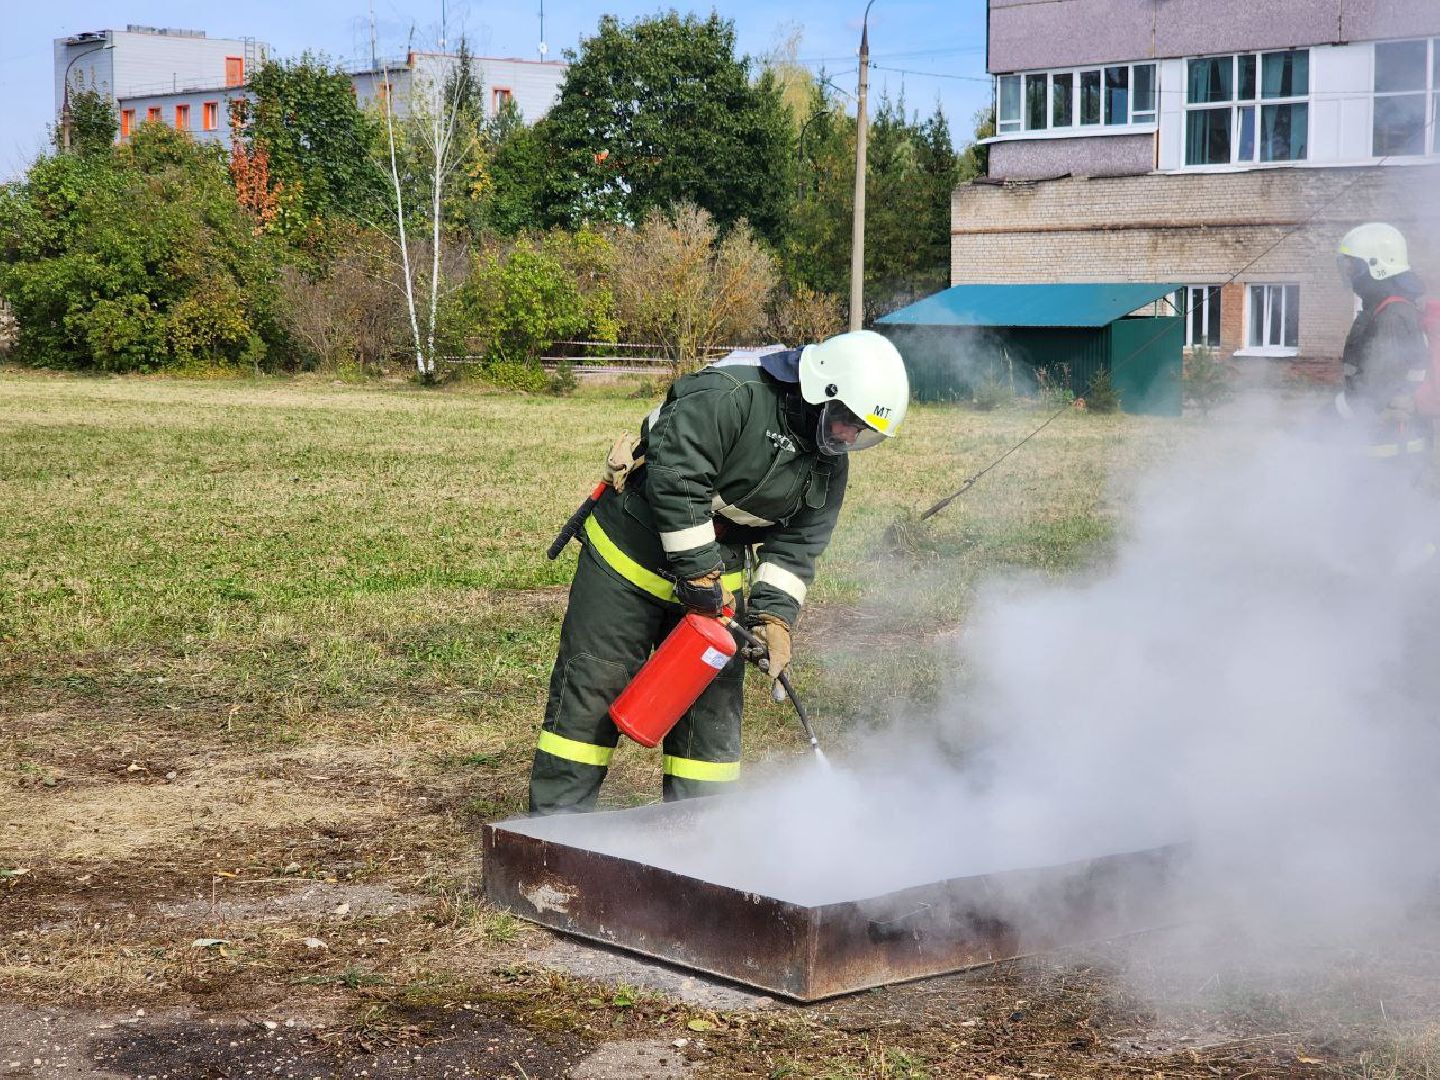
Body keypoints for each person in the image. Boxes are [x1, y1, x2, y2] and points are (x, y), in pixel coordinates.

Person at [528, 330, 910, 815]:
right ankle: (554, 834)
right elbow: (677, 479)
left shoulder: (829, 462)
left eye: (861, 433)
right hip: (629, 560)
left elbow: (796, 547)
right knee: (593, 691)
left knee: (712, 713)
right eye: (846, 422)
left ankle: (702, 838)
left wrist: (772, 618)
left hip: (714, 578)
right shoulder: (728, 396)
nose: (849, 437)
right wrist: (699, 573)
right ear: (819, 391)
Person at [1333, 222, 1431, 465]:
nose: (1348, 274)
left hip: (1391, 450)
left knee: (1380, 502)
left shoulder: (1392, 316)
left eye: (1353, 266)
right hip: (1384, 443)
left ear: (1377, 266)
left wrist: (1320, 420)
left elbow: (1371, 391)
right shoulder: (1382, 308)